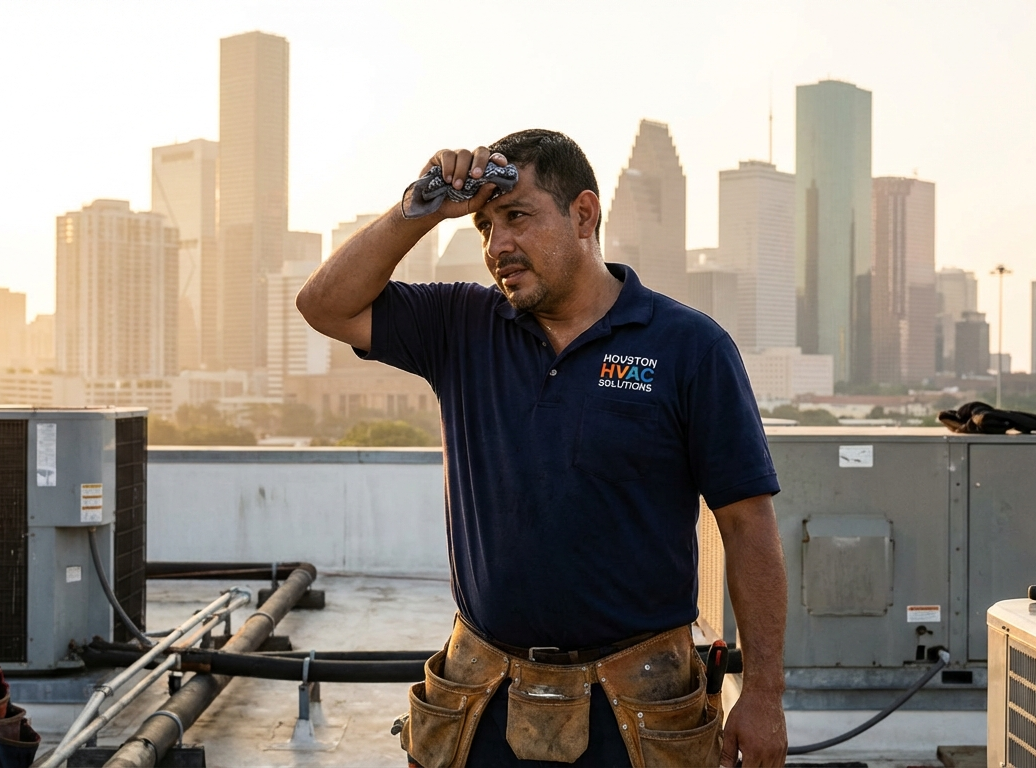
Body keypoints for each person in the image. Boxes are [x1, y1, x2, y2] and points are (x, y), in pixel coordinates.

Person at [297, 129, 788, 768]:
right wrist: (420, 208)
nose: (497, 245)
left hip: (640, 713)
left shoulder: (689, 346)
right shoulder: (461, 327)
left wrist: (764, 695)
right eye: (484, 226)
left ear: (583, 215)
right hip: (483, 702)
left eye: (517, 217)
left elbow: (748, 526)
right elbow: (324, 305)